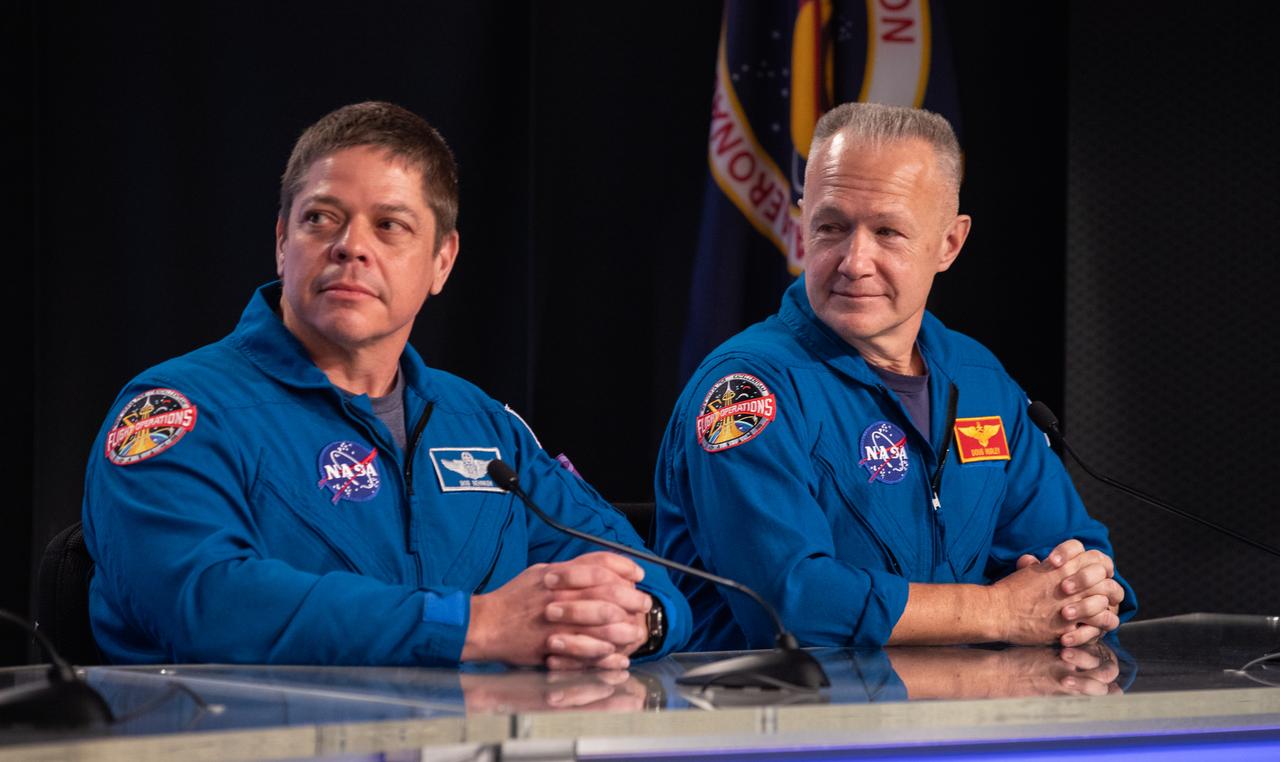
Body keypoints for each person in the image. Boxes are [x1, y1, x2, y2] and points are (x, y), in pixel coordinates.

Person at [83, 101, 689, 668]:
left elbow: (648, 579)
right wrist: (473, 626)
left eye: (390, 225)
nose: (351, 247)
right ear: (280, 242)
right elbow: (203, 603)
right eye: (321, 218)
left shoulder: (480, 424)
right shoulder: (176, 412)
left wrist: (637, 624)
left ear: (441, 262)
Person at [655, 102, 1136, 651]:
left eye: (887, 232)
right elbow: (791, 604)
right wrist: (997, 611)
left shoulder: (979, 379)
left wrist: (1088, 591)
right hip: (773, 720)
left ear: (949, 244)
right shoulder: (746, 391)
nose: (854, 261)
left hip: (948, 719)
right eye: (832, 228)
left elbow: (1069, 545)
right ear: (801, 227)